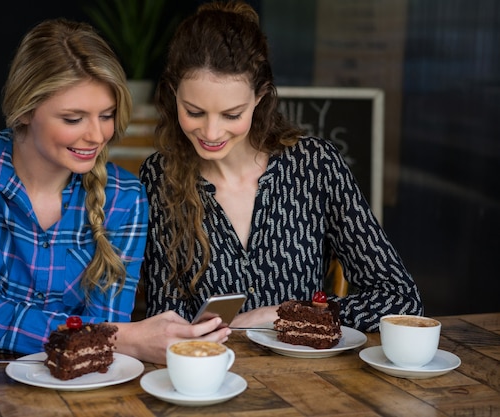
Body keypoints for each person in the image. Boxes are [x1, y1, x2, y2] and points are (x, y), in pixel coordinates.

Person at [0, 18, 229, 364]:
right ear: (24, 110)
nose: (97, 136)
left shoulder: (124, 196)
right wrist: (117, 336)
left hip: (82, 386)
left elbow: (105, 328)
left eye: (107, 115)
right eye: (73, 119)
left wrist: (109, 337)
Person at [140, 1, 423, 332]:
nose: (211, 132)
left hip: (306, 375)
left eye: (232, 114)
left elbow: (401, 299)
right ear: (173, 93)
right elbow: (164, 320)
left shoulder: (315, 167)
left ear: (260, 97)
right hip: (211, 375)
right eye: (194, 111)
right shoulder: (160, 177)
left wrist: (283, 314)